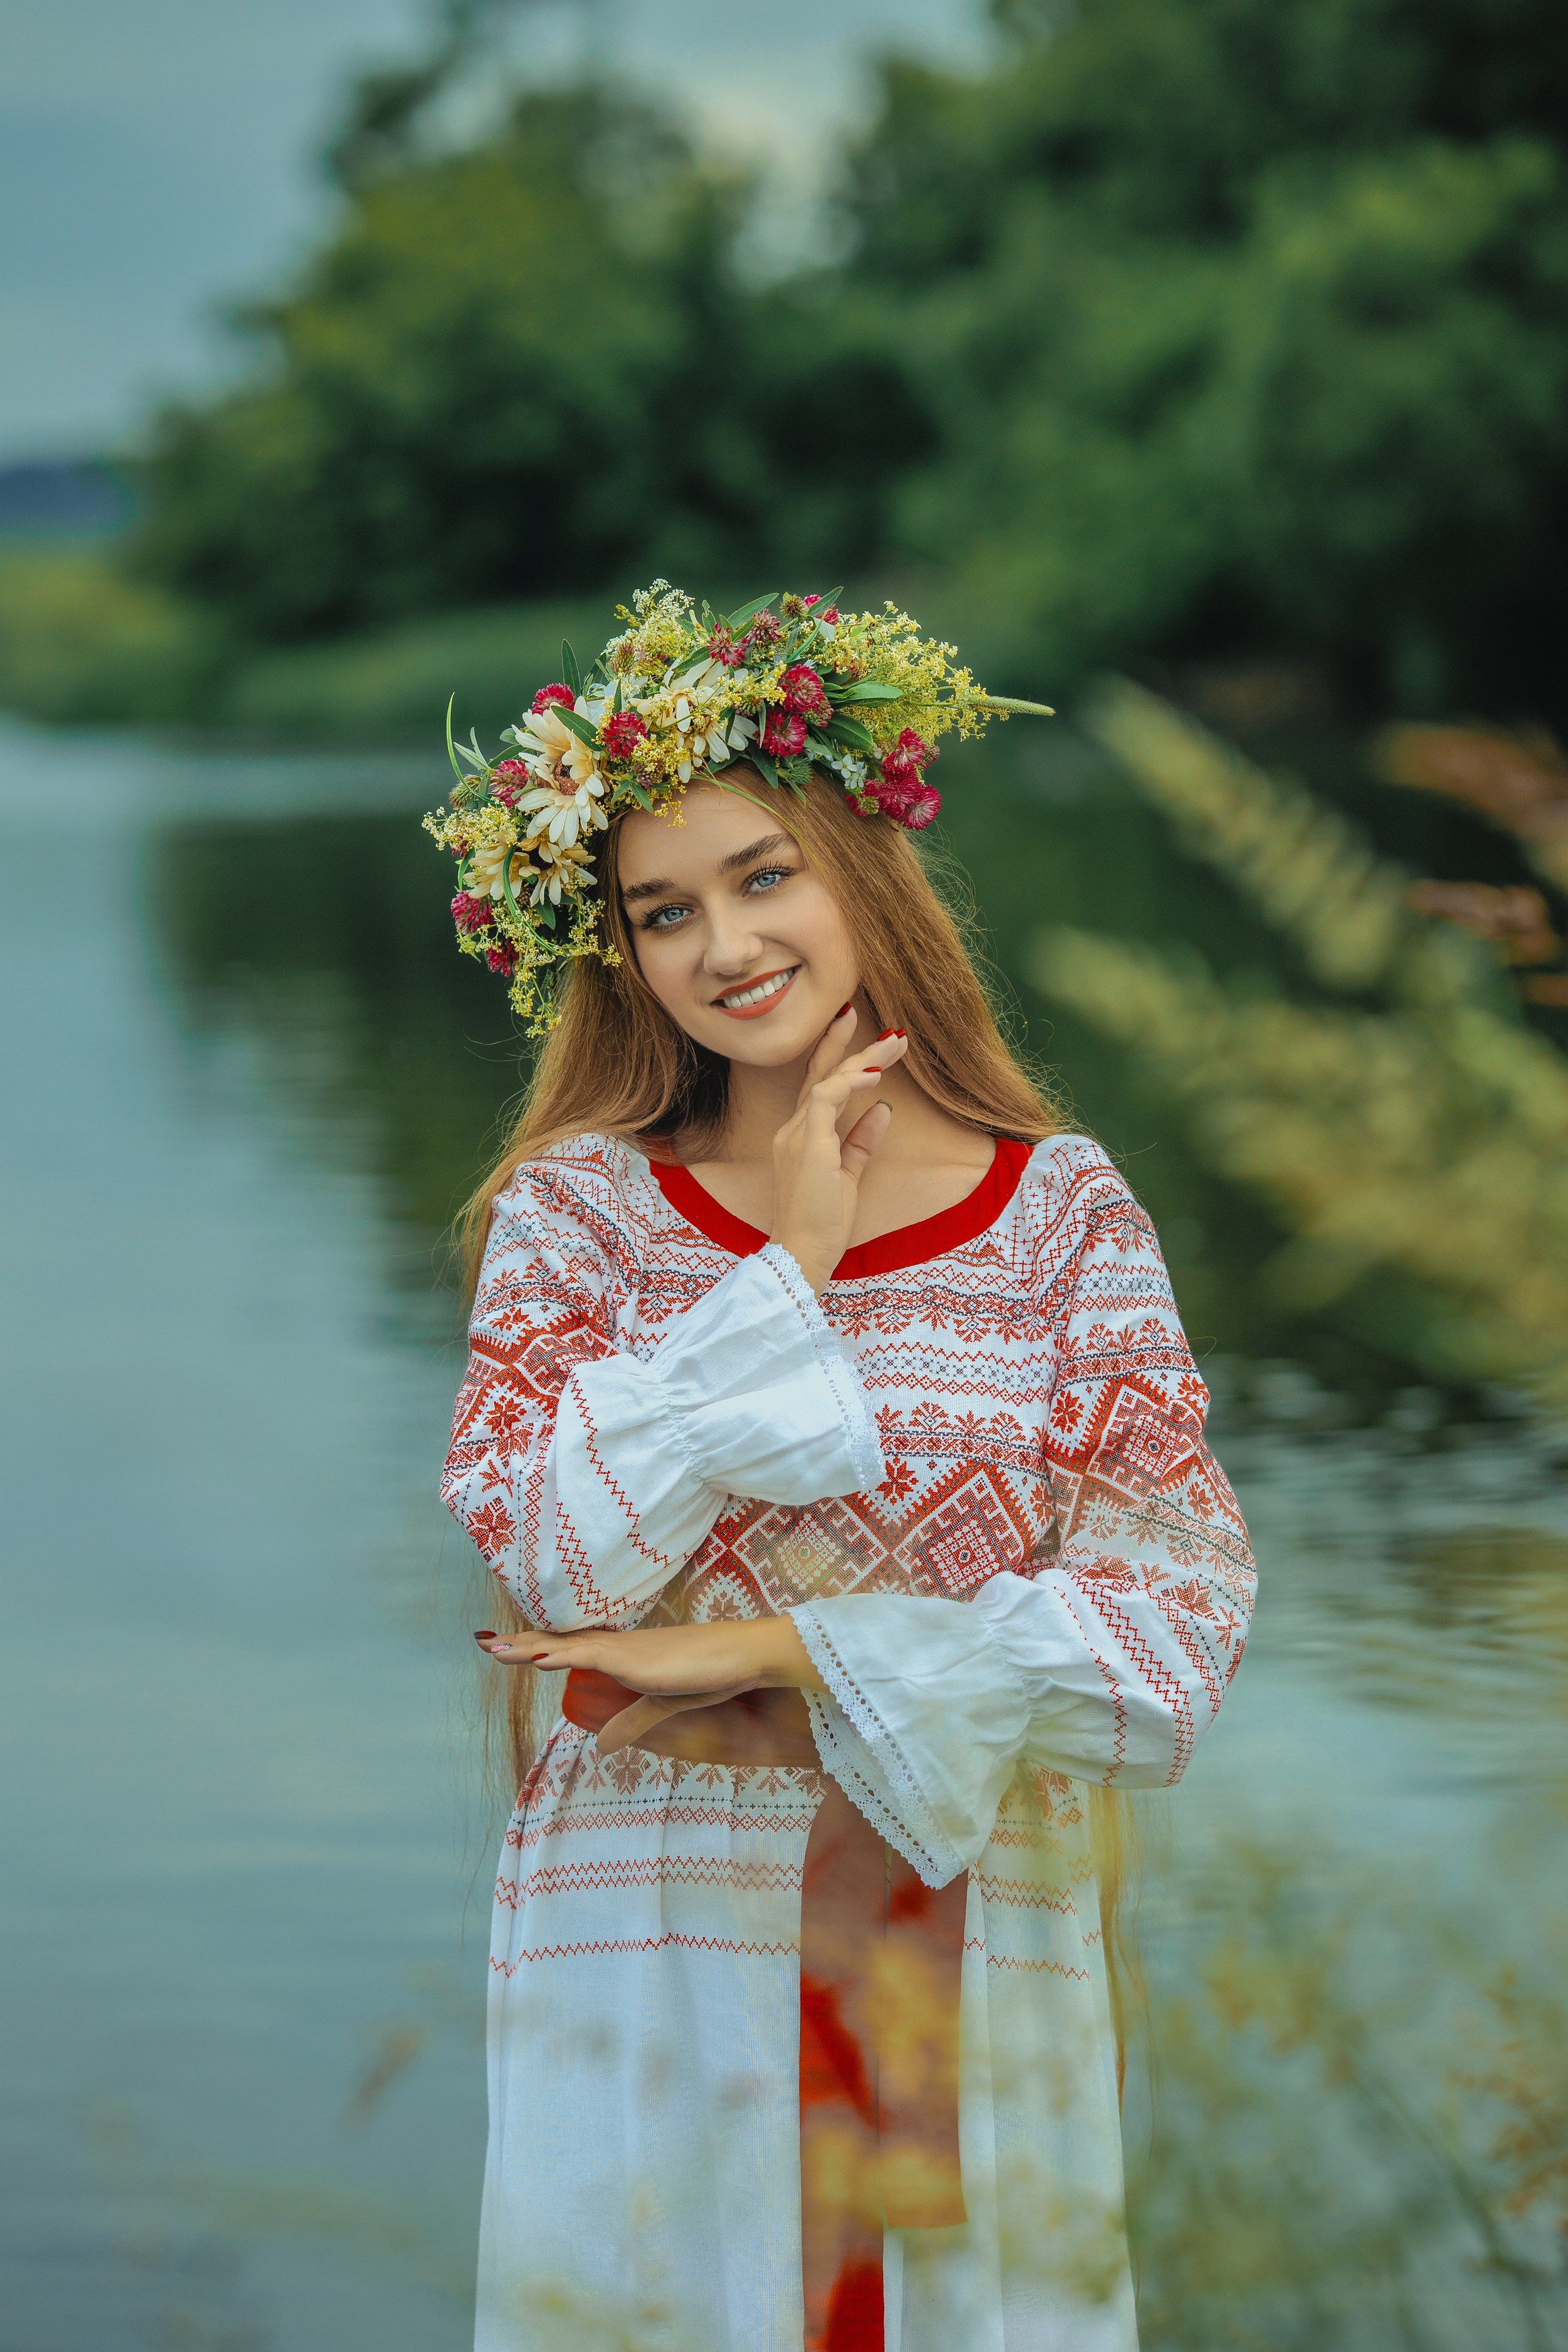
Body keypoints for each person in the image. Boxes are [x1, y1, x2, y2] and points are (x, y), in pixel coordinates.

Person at [433, 587, 1256, 2352]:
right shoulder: (575, 1215)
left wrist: (791, 1661)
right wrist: (780, 1280)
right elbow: (557, 1567)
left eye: (763, 877)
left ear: (861, 877)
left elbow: (1175, 1646)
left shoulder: (1062, 1213)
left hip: (972, 1932)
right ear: (618, 954)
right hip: (646, 1938)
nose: (724, 945)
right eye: (663, 912)